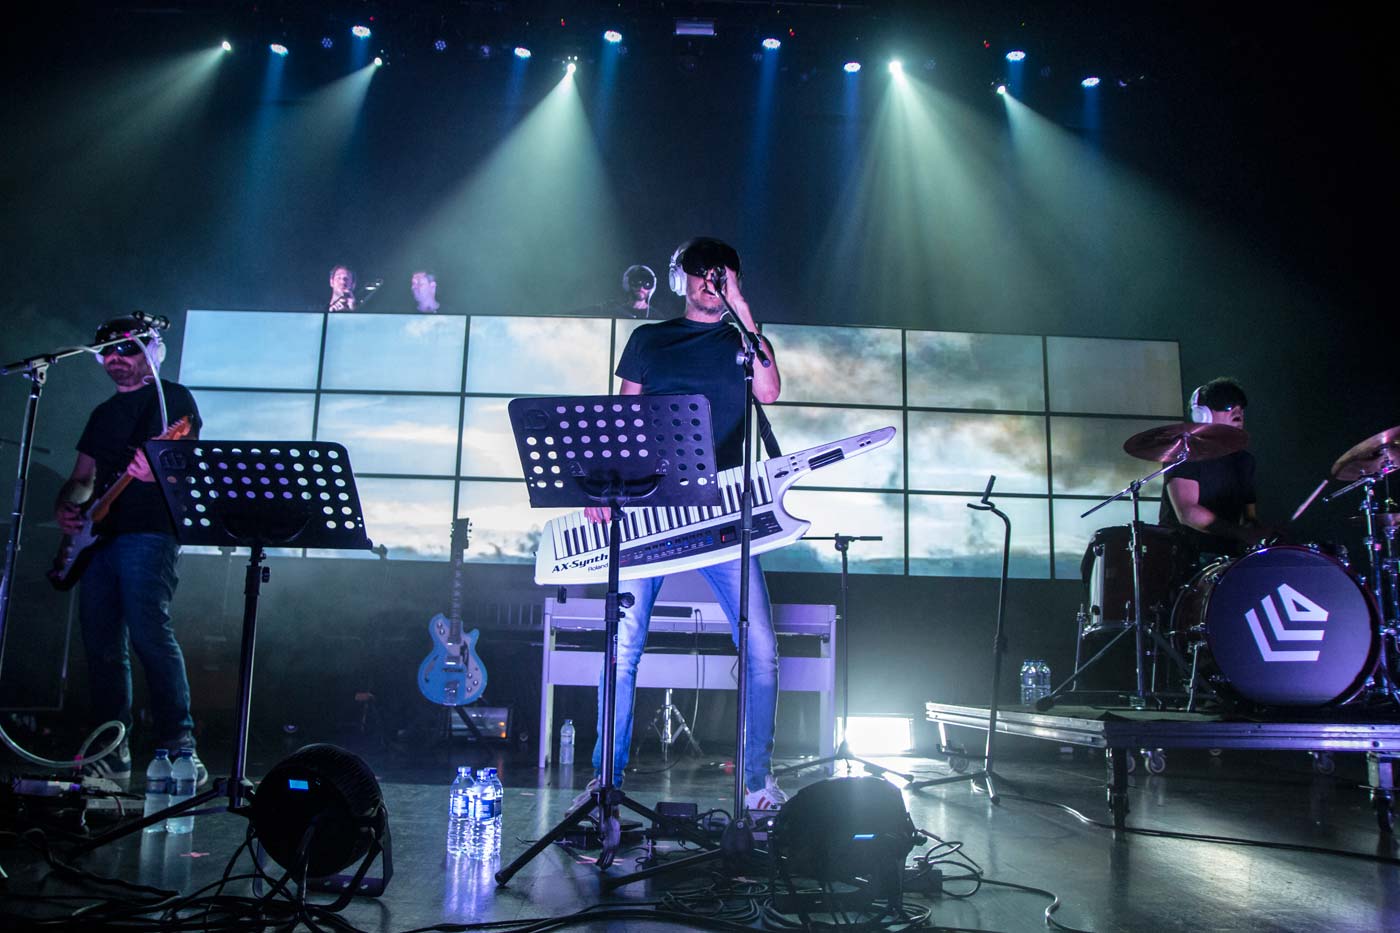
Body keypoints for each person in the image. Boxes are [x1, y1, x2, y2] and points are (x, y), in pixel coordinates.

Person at [579, 237, 787, 816]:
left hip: (722, 511)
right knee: (622, 647)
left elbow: (769, 391)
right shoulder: (649, 339)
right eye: (701, 273)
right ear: (680, 280)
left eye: (722, 275)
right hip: (650, 508)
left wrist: (742, 310)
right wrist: (603, 486)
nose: (710, 283)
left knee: (762, 648)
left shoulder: (743, 343)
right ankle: (605, 781)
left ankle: (756, 782)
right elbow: (622, 419)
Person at [54, 317, 207, 786]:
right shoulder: (102, 413)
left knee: (149, 634)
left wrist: (158, 469)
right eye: (107, 352)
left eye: (126, 350)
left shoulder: (173, 400)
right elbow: (83, 478)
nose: (115, 359)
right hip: (98, 538)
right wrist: (67, 507)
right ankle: (110, 749)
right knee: (101, 645)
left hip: (150, 531)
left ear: (151, 353)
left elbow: (186, 463)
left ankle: (180, 746)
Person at [1159, 377, 1262, 556]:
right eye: (1228, 406)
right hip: (1183, 556)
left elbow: (1249, 516)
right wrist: (1241, 533)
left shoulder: (1244, 461)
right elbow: (1187, 512)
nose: (1237, 411)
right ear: (1202, 414)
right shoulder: (1185, 454)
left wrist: (1261, 532)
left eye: (1241, 407)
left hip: (1227, 557)